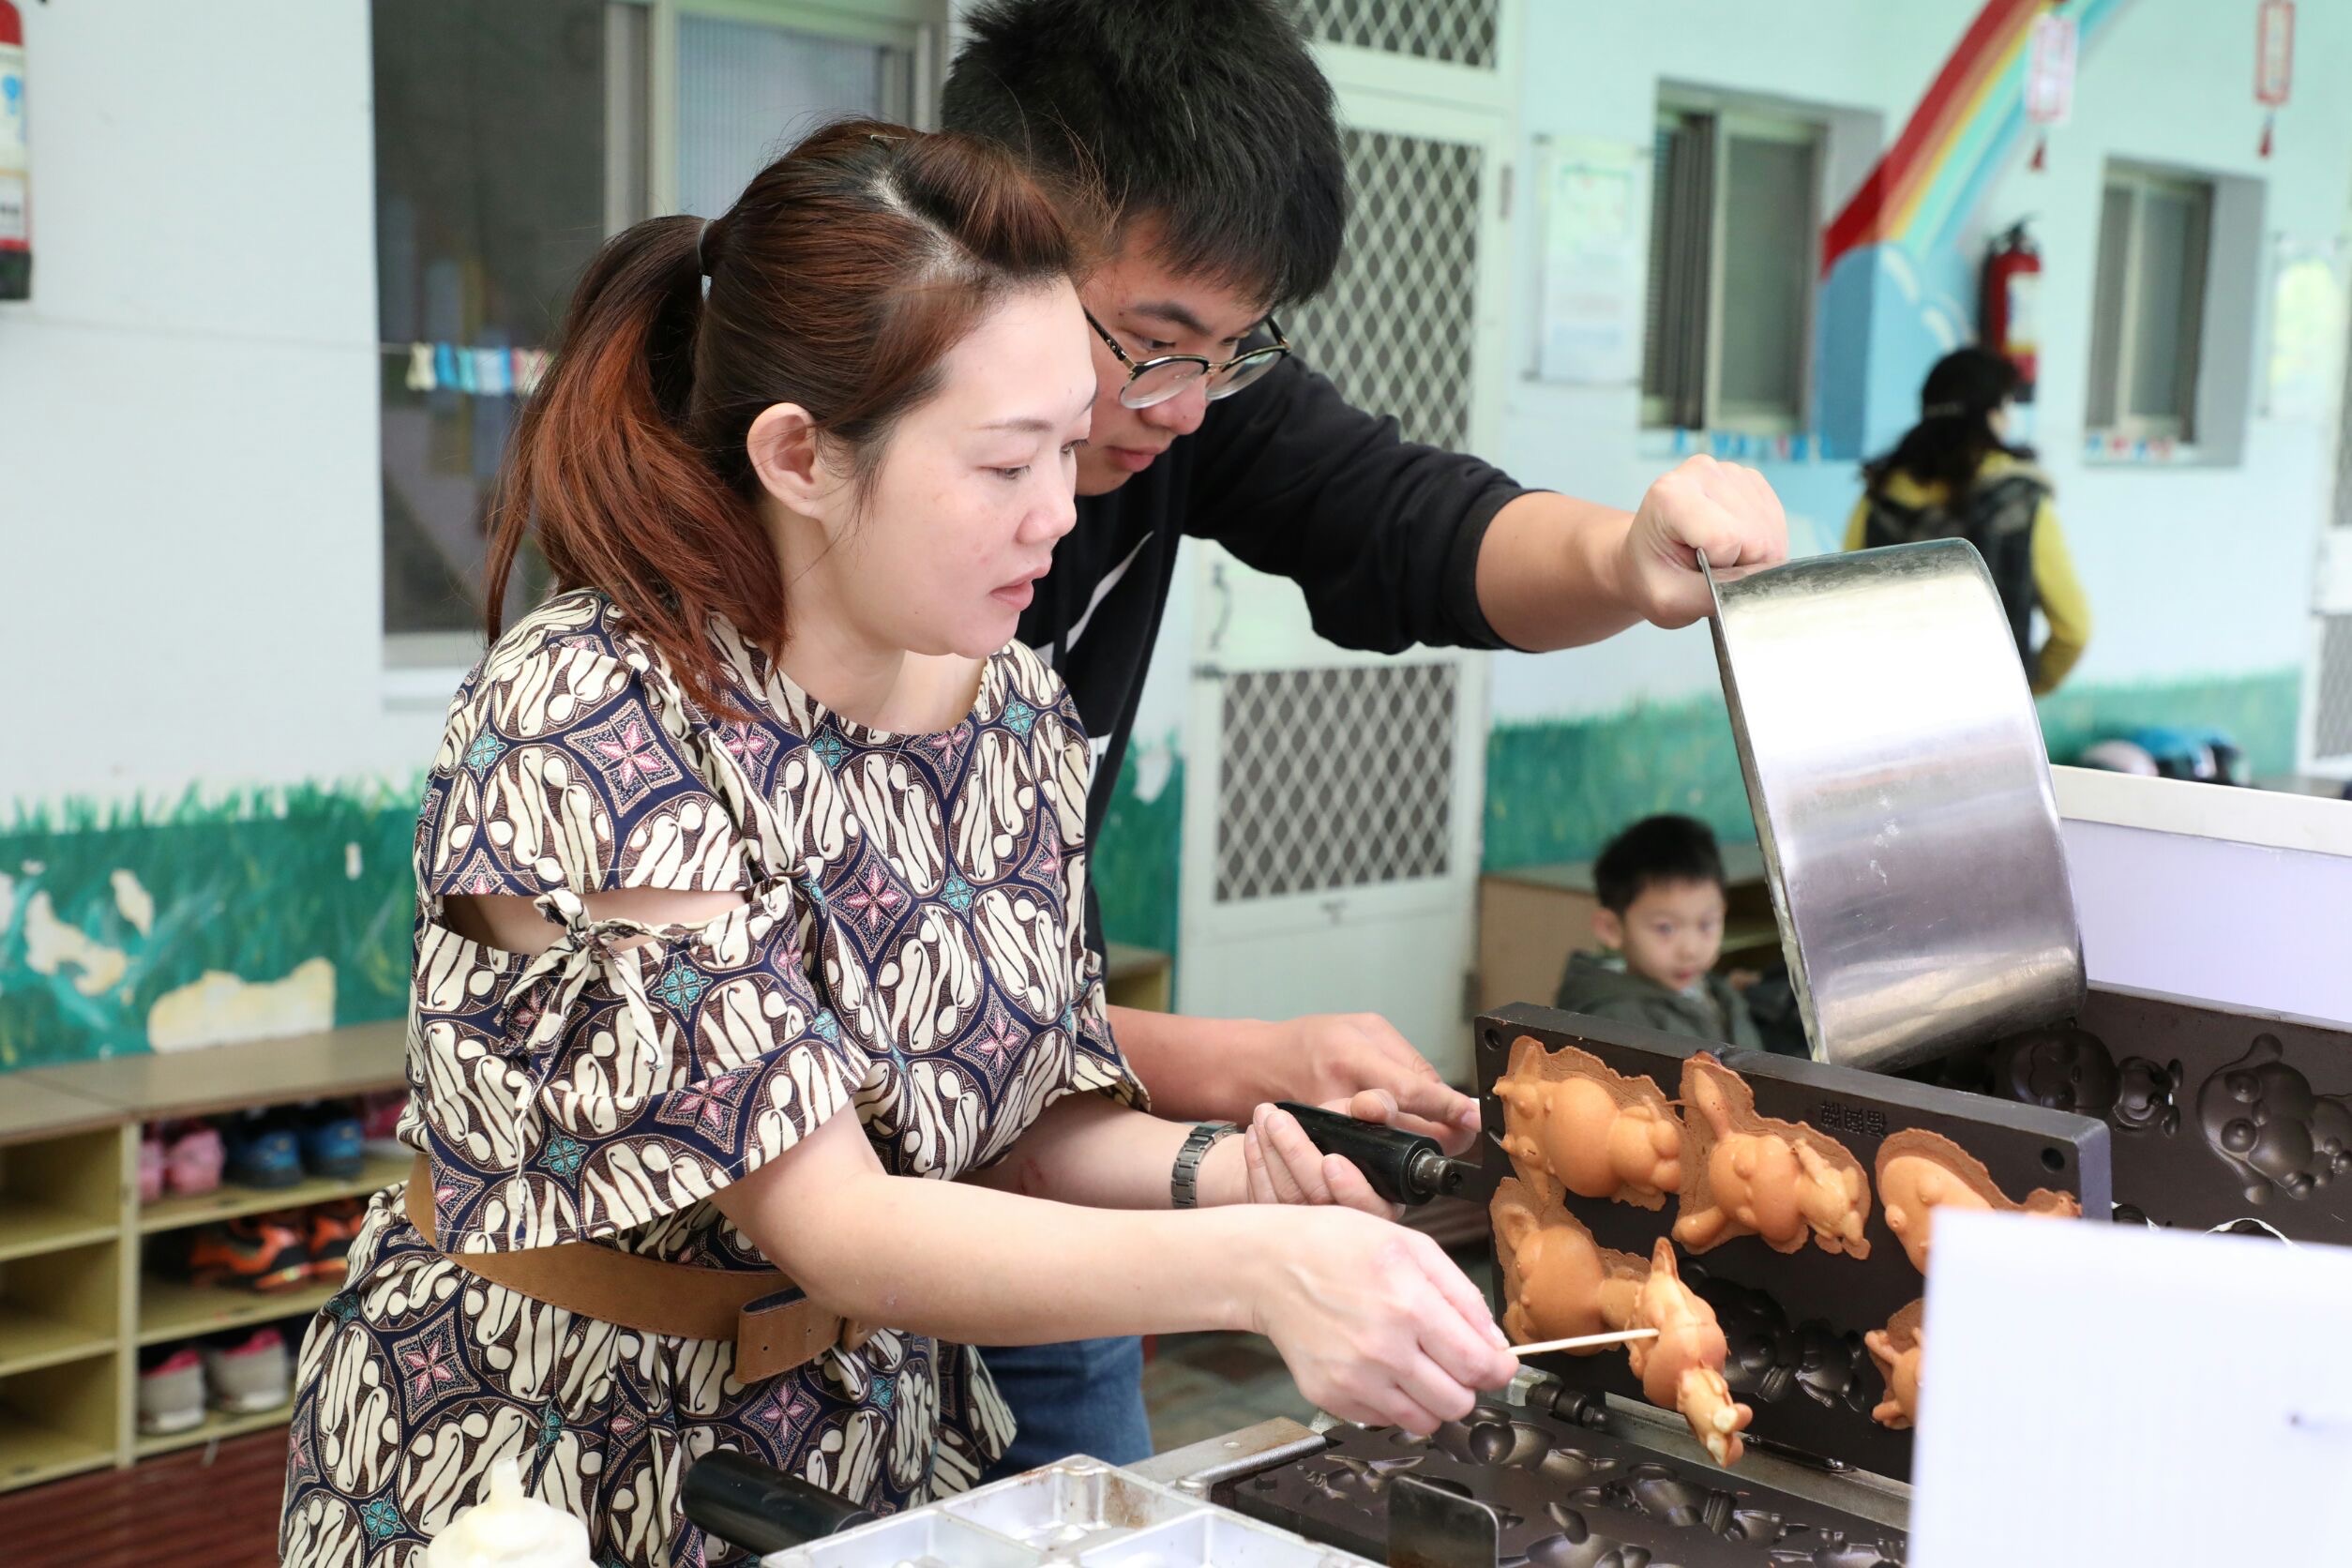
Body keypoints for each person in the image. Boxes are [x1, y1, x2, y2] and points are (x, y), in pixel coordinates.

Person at [277, 121, 1516, 1568]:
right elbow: (839, 1223)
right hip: (547, 1447)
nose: (1060, 513)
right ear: (800, 455)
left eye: (1069, 447)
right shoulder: (594, 718)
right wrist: (1259, 1267)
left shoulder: (1004, 701)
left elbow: (1021, 1122)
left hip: (854, 1430)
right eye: (1003, 465)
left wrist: (1238, 1171)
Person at [941, 0, 1791, 1472]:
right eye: (1152, 344)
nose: (1183, 408)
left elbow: (1404, 520)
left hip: (1022, 1159)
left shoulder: (1155, 422)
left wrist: (1626, 557)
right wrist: (1234, 1131)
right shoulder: (789, 592)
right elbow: (854, 1115)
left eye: (1232, 351)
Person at [1846, 346, 2091, 695]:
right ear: (1990, 416)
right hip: (1991, 717)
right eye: (2006, 408)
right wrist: (2029, 687)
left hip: (1892, 709)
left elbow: (1844, 612)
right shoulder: (2021, 501)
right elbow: (2073, 630)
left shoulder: (1879, 496)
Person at [1553, 816, 1760, 1049]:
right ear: (1611, 929)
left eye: (1706, 924)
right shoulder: (1614, 1023)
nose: (1690, 950)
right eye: (1666, 928)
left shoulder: (1712, 990)